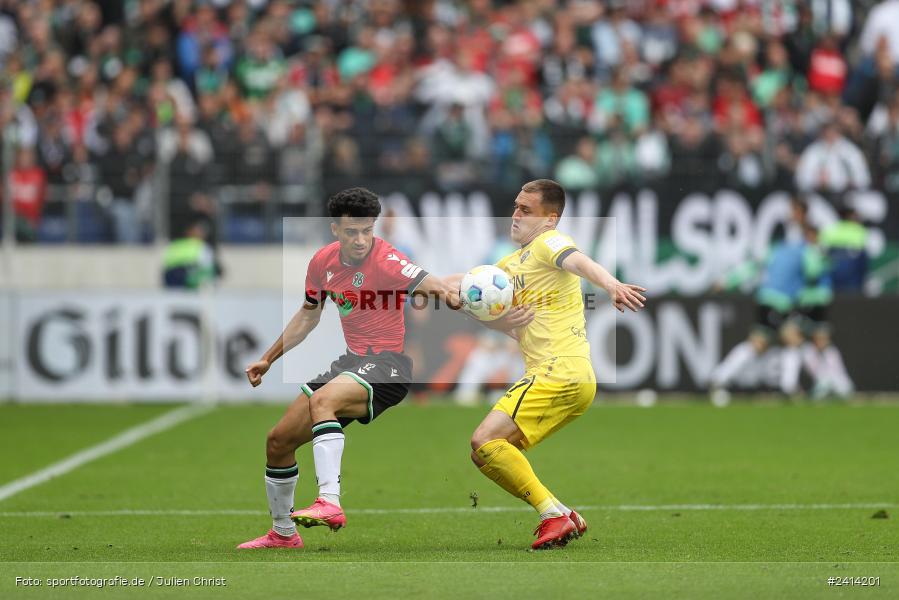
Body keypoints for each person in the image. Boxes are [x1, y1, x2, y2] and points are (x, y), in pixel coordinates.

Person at [238, 187, 459, 549]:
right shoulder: (322, 263)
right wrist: (269, 357)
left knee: (322, 401)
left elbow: (427, 281)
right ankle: (283, 534)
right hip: (351, 363)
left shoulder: (387, 260)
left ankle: (330, 501)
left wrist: (451, 296)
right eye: (352, 231)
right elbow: (309, 315)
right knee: (278, 442)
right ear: (335, 230)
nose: (361, 240)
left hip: (389, 367)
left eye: (367, 231)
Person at [457, 179, 646, 550]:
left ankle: (552, 515)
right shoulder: (508, 266)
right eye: (515, 206)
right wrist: (484, 314)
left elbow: (577, 260)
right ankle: (563, 513)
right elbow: (478, 302)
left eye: (526, 211)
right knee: (486, 454)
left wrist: (611, 285)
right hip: (573, 379)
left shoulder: (549, 243)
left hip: (557, 371)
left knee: (484, 439)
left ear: (550, 219)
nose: (515, 216)